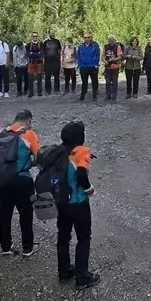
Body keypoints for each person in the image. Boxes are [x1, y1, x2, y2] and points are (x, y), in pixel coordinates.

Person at [55, 121, 99, 288]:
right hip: (78, 202)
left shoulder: (59, 151)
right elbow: (81, 173)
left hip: (61, 202)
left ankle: (64, 272)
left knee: (63, 236)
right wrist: (89, 190)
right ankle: (82, 278)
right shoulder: (81, 151)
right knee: (83, 238)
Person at [0, 109, 41, 256]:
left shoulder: (1, 133)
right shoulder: (29, 134)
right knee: (26, 214)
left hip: (4, 179)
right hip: (23, 179)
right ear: (28, 120)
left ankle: (5, 247)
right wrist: (30, 162)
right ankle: (27, 247)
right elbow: (39, 157)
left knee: (4, 214)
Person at [77, 32, 101, 101]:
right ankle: (82, 95)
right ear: (83, 38)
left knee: (94, 81)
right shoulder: (81, 46)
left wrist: (96, 64)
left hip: (92, 66)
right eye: (85, 37)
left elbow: (97, 55)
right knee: (84, 82)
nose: (87, 39)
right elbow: (78, 56)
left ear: (90, 38)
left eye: (88, 37)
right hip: (83, 67)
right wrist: (79, 65)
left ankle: (94, 96)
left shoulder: (94, 45)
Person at [103, 35, 123, 101]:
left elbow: (120, 56)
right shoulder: (105, 46)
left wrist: (113, 59)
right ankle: (108, 95)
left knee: (114, 82)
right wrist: (105, 61)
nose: (111, 42)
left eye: (112, 41)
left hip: (115, 66)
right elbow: (103, 56)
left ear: (114, 41)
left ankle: (114, 95)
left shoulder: (117, 46)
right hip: (108, 67)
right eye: (110, 41)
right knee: (108, 82)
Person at [43, 30, 63, 94]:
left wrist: (59, 58)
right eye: (51, 33)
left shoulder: (57, 41)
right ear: (49, 34)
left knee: (56, 76)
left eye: (53, 33)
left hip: (56, 62)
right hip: (47, 62)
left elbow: (59, 50)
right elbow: (43, 52)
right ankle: (48, 91)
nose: (52, 34)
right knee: (47, 76)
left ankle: (57, 90)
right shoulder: (45, 42)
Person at [26, 32, 45, 98]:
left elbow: (41, 54)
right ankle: (31, 93)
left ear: (38, 37)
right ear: (32, 37)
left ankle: (39, 92)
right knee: (30, 78)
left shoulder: (41, 44)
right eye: (33, 36)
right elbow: (28, 54)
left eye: (36, 36)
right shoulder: (28, 45)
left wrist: (33, 54)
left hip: (39, 63)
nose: (35, 37)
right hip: (31, 63)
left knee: (39, 78)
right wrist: (37, 54)